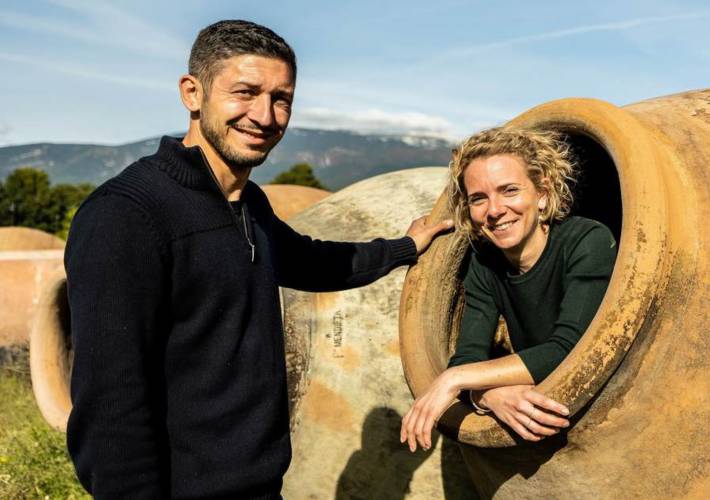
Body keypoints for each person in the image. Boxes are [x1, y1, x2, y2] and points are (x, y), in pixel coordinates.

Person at [65, 20, 451, 498]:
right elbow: (110, 405)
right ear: (193, 93)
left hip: (260, 485)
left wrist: (404, 248)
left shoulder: (248, 205)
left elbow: (312, 261)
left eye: (281, 98)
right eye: (245, 92)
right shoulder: (126, 214)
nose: (265, 116)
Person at [400, 127, 617, 452]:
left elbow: (568, 350)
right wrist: (489, 395)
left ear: (542, 194)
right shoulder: (485, 262)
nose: (495, 210)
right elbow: (469, 354)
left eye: (509, 190)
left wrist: (454, 380)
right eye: (479, 198)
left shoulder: (588, 242)